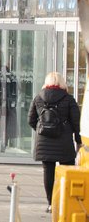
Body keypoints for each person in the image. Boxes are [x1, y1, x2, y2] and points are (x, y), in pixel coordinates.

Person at [27, 71, 82, 209]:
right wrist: (78, 139)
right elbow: (76, 122)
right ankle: (65, 202)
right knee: (67, 171)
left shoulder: (38, 97)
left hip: (44, 141)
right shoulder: (68, 99)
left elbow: (31, 120)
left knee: (48, 172)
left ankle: (51, 203)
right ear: (62, 82)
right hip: (64, 141)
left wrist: (42, 130)